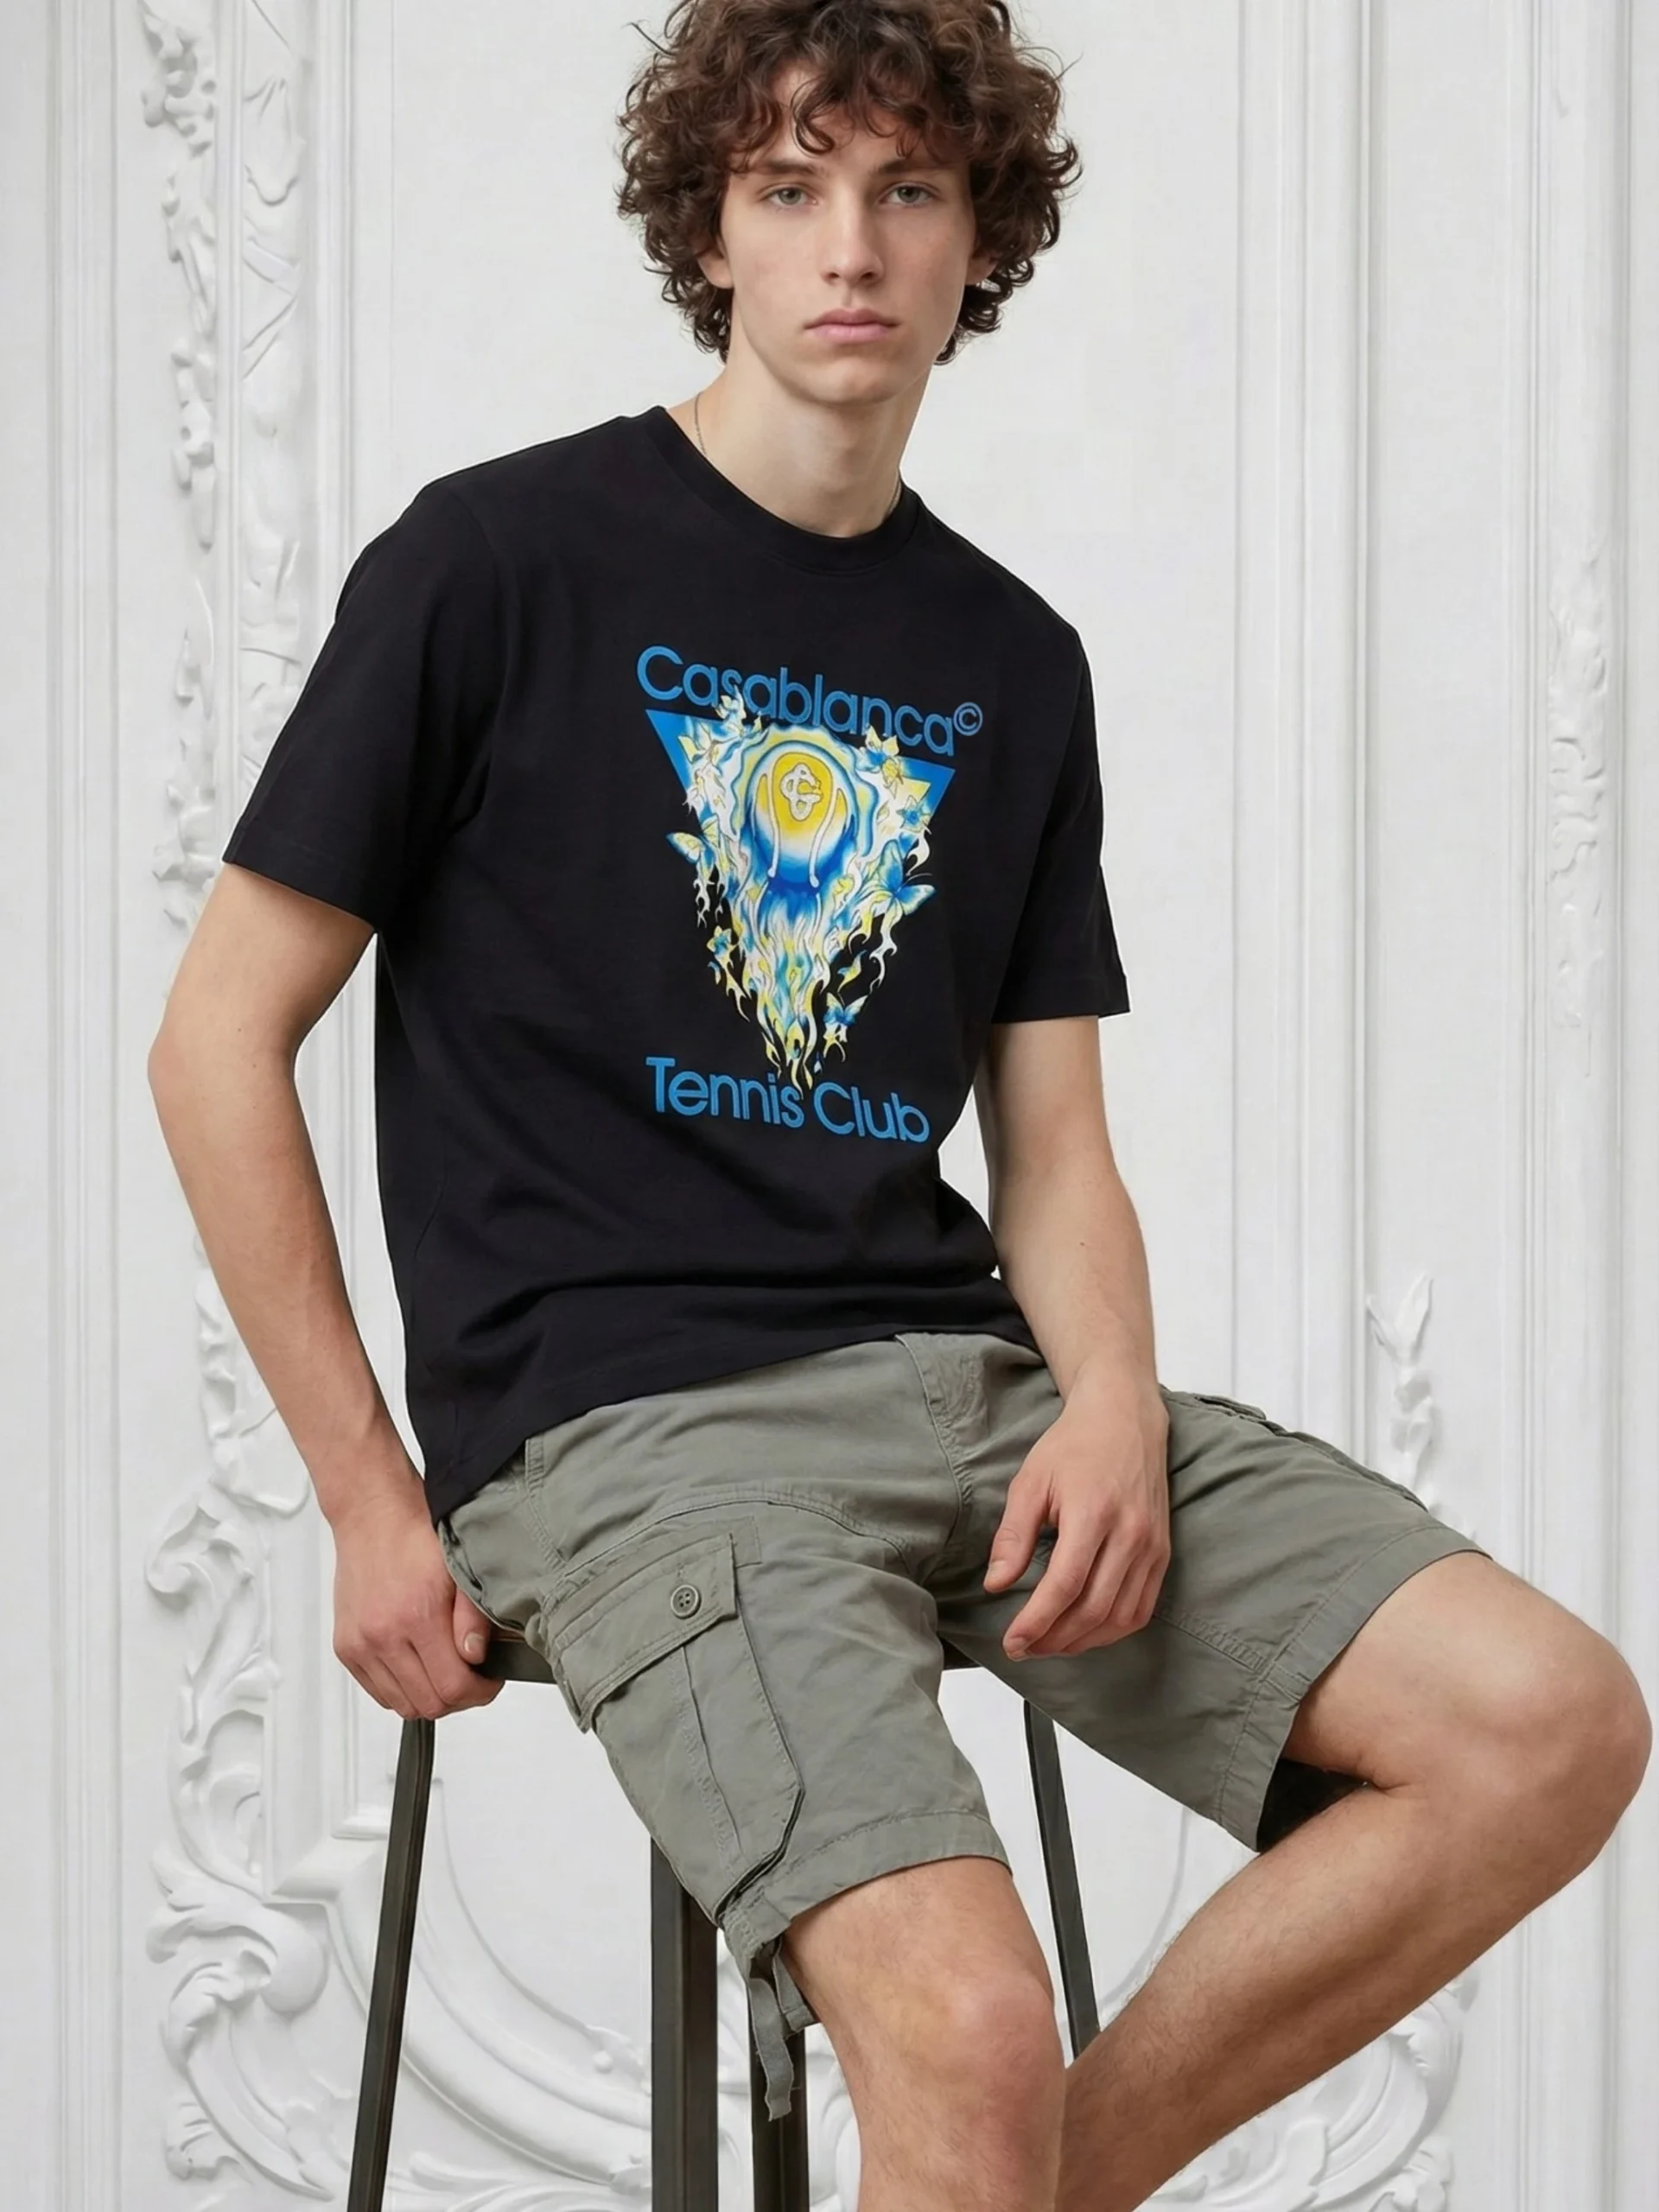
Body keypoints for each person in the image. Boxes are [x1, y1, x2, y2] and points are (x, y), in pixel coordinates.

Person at [148, 3, 1650, 2206]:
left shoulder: (1011, 659)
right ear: (712, 236)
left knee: (1548, 1720)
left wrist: (1112, 1394)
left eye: (907, 190)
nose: (849, 247)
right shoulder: (491, 563)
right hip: (630, 1431)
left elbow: (1055, 1144)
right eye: (789, 190)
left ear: (978, 242)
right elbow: (213, 1039)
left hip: (964, 1389)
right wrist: (371, 1496)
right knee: (963, 2023)